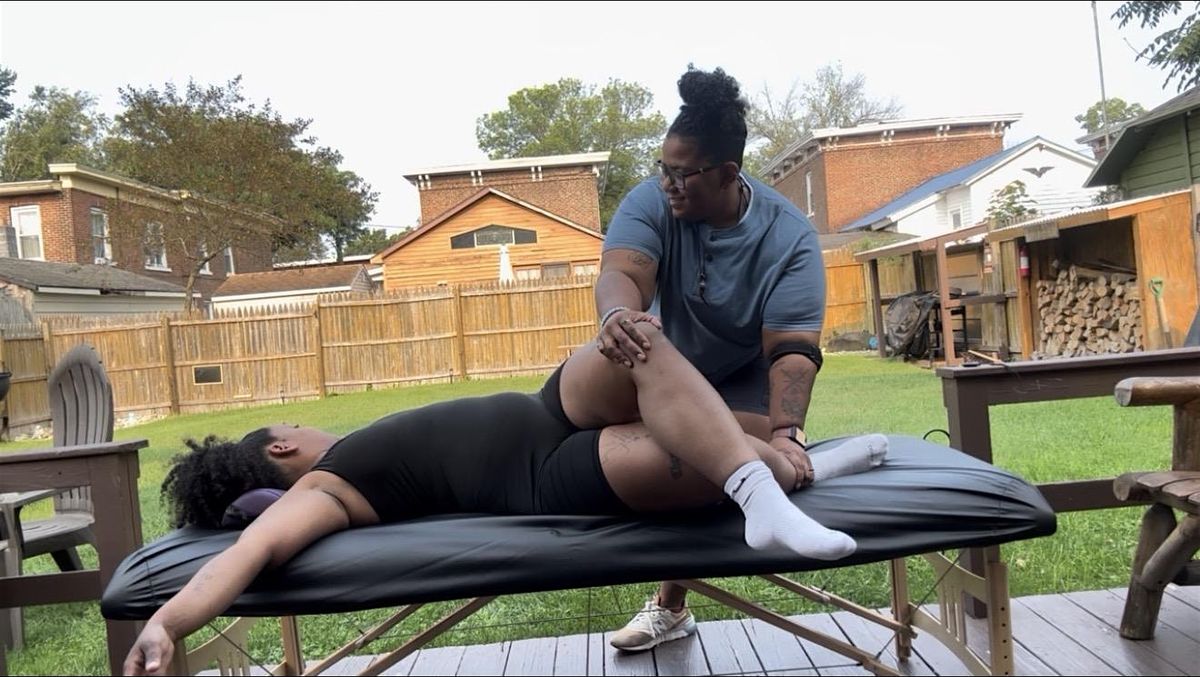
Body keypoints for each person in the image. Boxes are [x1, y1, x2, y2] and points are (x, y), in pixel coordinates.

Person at [124, 325, 886, 675]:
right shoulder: (325, 487)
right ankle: (794, 475)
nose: (305, 427)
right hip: (553, 471)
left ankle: (780, 475)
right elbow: (249, 551)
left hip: (553, 404)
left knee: (635, 338)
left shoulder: (343, 456)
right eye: (294, 427)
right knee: (710, 454)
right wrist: (166, 622)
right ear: (283, 449)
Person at [591, 65, 839, 651]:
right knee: (638, 453)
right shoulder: (651, 201)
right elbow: (623, 272)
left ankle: (669, 605)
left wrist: (787, 434)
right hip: (668, 362)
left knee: (712, 464)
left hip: (743, 371)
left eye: (684, 174)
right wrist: (617, 314)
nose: (668, 184)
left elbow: (792, 351)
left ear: (729, 173)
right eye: (664, 168)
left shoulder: (788, 237)